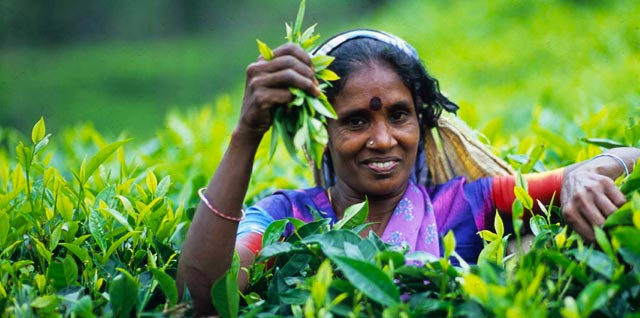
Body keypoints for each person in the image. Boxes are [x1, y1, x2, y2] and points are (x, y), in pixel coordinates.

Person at [176, 29, 639, 315]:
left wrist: (587, 171)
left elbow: (632, 157)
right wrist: (247, 133)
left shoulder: (467, 206)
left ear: (421, 122)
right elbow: (204, 299)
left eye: (399, 115)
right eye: (356, 120)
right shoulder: (286, 219)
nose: (382, 140)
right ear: (321, 131)